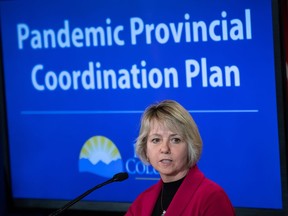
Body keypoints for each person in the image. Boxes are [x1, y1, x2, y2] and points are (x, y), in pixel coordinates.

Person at [125, 100, 235, 216]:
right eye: (156, 140)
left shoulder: (211, 197)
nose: (165, 148)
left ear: (190, 146)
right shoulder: (143, 201)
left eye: (175, 140)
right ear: (145, 149)